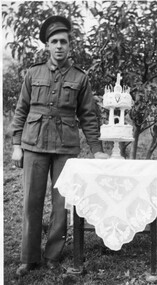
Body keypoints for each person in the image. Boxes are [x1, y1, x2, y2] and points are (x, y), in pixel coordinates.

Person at [11, 15, 108, 276]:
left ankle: (53, 255)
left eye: (63, 41)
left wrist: (97, 148)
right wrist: (16, 144)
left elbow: (88, 115)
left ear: (69, 45)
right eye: (54, 41)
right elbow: (21, 110)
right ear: (47, 46)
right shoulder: (33, 73)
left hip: (65, 149)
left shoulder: (80, 78)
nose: (59, 46)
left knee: (61, 204)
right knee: (32, 203)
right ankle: (29, 258)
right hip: (34, 145)